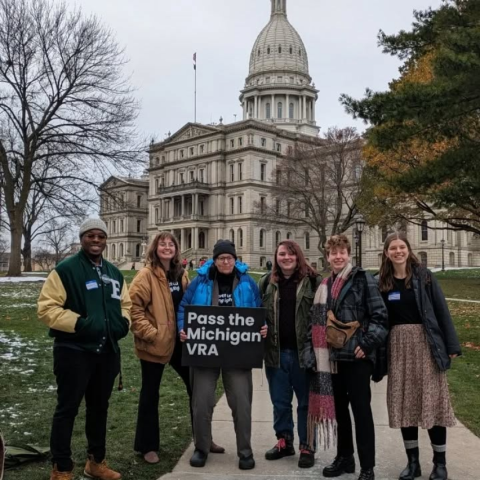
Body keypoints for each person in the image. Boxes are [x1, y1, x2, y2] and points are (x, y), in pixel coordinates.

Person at [37, 218, 131, 480]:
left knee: (99, 409)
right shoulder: (65, 270)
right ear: (82, 238)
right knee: (67, 409)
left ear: (106, 239)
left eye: (100, 236)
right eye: (90, 235)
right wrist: (82, 324)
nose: (96, 240)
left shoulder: (114, 272)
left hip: (107, 353)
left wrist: (123, 323)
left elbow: (127, 304)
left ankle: (96, 462)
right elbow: (47, 308)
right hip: (74, 351)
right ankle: (62, 468)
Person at [129, 232, 223, 464]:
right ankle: (148, 446)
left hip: (181, 342)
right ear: (155, 248)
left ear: (177, 249)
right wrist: (152, 334)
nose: (167, 247)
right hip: (155, 344)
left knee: (197, 391)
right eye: (163, 244)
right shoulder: (145, 275)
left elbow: (189, 305)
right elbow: (133, 308)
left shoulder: (181, 275)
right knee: (150, 394)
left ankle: (203, 439)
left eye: (171, 244)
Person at [177, 239, 267, 470]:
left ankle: (245, 451)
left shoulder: (248, 282)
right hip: (205, 351)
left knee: (241, 402)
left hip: (238, 351)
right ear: (214, 260)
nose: (225, 261)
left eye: (229, 258)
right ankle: (201, 448)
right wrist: (182, 328)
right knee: (202, 402)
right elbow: (184, 308)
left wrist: (262, 325)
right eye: (221, 258)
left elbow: (258, 311)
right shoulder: (200, 281)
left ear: (235, 260)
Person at [378, 233, 461, 480]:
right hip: (398, 347)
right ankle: (412, 462)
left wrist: (451, 344)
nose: (398, 251)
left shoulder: (424, 277)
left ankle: (440, 463)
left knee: (432, 403)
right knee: (405, 404)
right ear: (386, 253)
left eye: (402, 247)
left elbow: (441, 310)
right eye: (393, 248)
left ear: (408, 249)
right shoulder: (382, 281)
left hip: (426, 345)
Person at [315, 234, 388, 480]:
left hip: (357, 357)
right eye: (333, 253)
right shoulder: (325, 285)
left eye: (342, 252)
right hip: (333, 358)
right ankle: (345, 457)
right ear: (327, 257)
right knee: (339, 411)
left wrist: (367, 345)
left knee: (361, 411)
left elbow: (380, 316)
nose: (337, 256)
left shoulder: (363, 279)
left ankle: (367, 466)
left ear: (348, 254)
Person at [258, 240, 321, 468]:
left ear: (298, 257)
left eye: (291, 254)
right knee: (280, 402)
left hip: (303, 354)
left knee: (306, 403)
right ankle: (285, 441)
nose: (286, 258)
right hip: (275, 353)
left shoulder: (313, 282)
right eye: (282, 254)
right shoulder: (266, 282)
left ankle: (307, 445)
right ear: (276, 257)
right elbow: (256, 315)